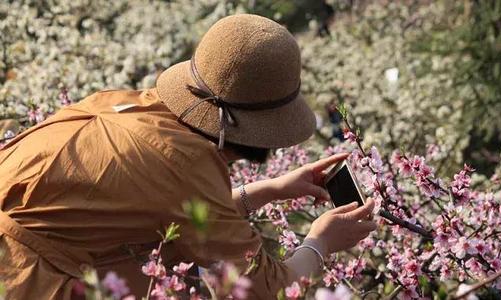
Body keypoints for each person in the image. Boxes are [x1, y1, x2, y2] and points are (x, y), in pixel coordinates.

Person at [0, 14, 376, 299]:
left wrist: (270, 189)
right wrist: (321, 241)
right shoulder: (188, 167)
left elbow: (167, 205)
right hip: (24, 280)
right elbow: (268, 288)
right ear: (263, 130)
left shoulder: (126, 103)